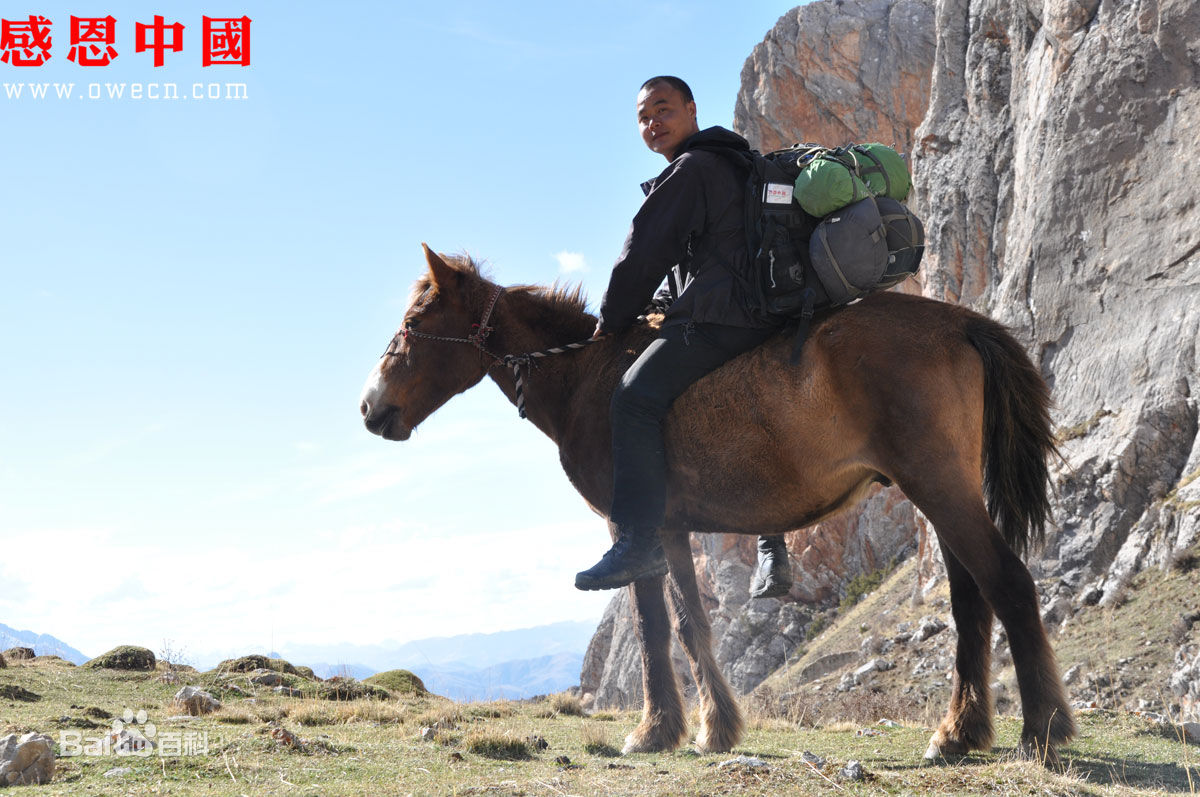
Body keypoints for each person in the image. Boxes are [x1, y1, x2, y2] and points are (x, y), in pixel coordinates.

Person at [574, 75, 793, 598]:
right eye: (644, 118)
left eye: (663, 109)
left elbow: (643, 252)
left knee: (632, 398)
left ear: (692, 110)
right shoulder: (734, 161)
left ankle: (639, 541)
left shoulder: (691, 170)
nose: (653, 123)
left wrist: (613, 317)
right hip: (771, 310)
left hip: (724, 316)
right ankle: (772, 545)